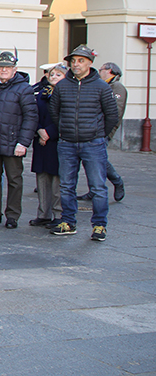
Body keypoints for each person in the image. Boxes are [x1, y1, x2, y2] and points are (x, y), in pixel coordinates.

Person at [50, 44, 119, 241]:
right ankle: (68, 221)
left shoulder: (101, 87)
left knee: (97, 186)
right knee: (66, 185)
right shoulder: (62, 86)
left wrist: (100, 135)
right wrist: (65, 130)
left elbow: (112, 116)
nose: (75, 64)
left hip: (93, 143)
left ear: (90, 63)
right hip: (67, 143)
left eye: (80, 60)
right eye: (73, 61)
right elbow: (55, 112)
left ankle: (99, 225)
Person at [0, 50, 37, 229]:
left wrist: (23, 143)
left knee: (14, 180)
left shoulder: (24, 88)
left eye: (7, 67)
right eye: (1, 66)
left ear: (15, 69)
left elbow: (31, 117)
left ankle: (12, 215)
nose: (3, 70)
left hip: (13, 143)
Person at [30, 63, 66, 227]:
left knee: (57, 179)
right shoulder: (42, 93)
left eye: (58, 75)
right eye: (52, 74)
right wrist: (39, 131)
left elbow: (65, 117)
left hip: (57, 141)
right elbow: (33, 114)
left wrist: (49, 132)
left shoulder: (67, 94)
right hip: (41, 141)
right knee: (42, 177)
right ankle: (43, 213)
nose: (53, 77)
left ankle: (58, 214)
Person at [97, 61, 126, 202]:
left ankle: (117, 181)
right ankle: (94, 189)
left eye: (101, 69)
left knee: (100, 160)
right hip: (96, 129)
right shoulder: (106, 86)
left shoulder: (117, 87)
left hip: (104, 130)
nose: (99, 71)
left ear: (109, 71)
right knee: (94, 161)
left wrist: (105, 131)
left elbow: (116, 113)